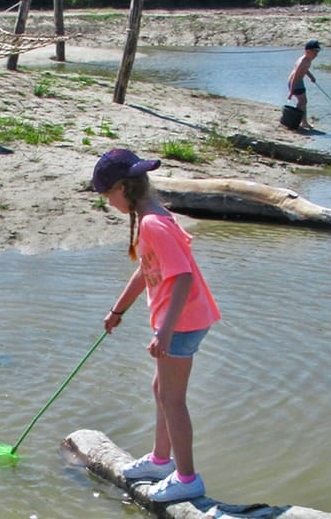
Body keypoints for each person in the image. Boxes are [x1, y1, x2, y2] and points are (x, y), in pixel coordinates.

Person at [91, 148, 221, 503]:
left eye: (107, 196)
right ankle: (161, 460)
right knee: (160, 389)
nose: (108, 203)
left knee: (172, 399)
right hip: (183, 320)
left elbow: (181, 278)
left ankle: (187, 478)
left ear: (122, 188)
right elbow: (147, 269)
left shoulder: (152, 222)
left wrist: (164, 331)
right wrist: (118, 309)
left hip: (181, 322)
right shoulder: (153, 214)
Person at [287, 39, 321, 129]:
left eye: (317, 52)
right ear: (308, 51)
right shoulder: (302, 61)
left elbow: (305, 70)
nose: (316, 54)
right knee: (302, 102)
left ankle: (304, 122)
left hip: (300, 82)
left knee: (304, 102)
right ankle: (294, 120)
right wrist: (291, 91)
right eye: (315, 52)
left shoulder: (308, 60)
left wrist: (311, 77)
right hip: (294, 82)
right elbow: (295, 76)